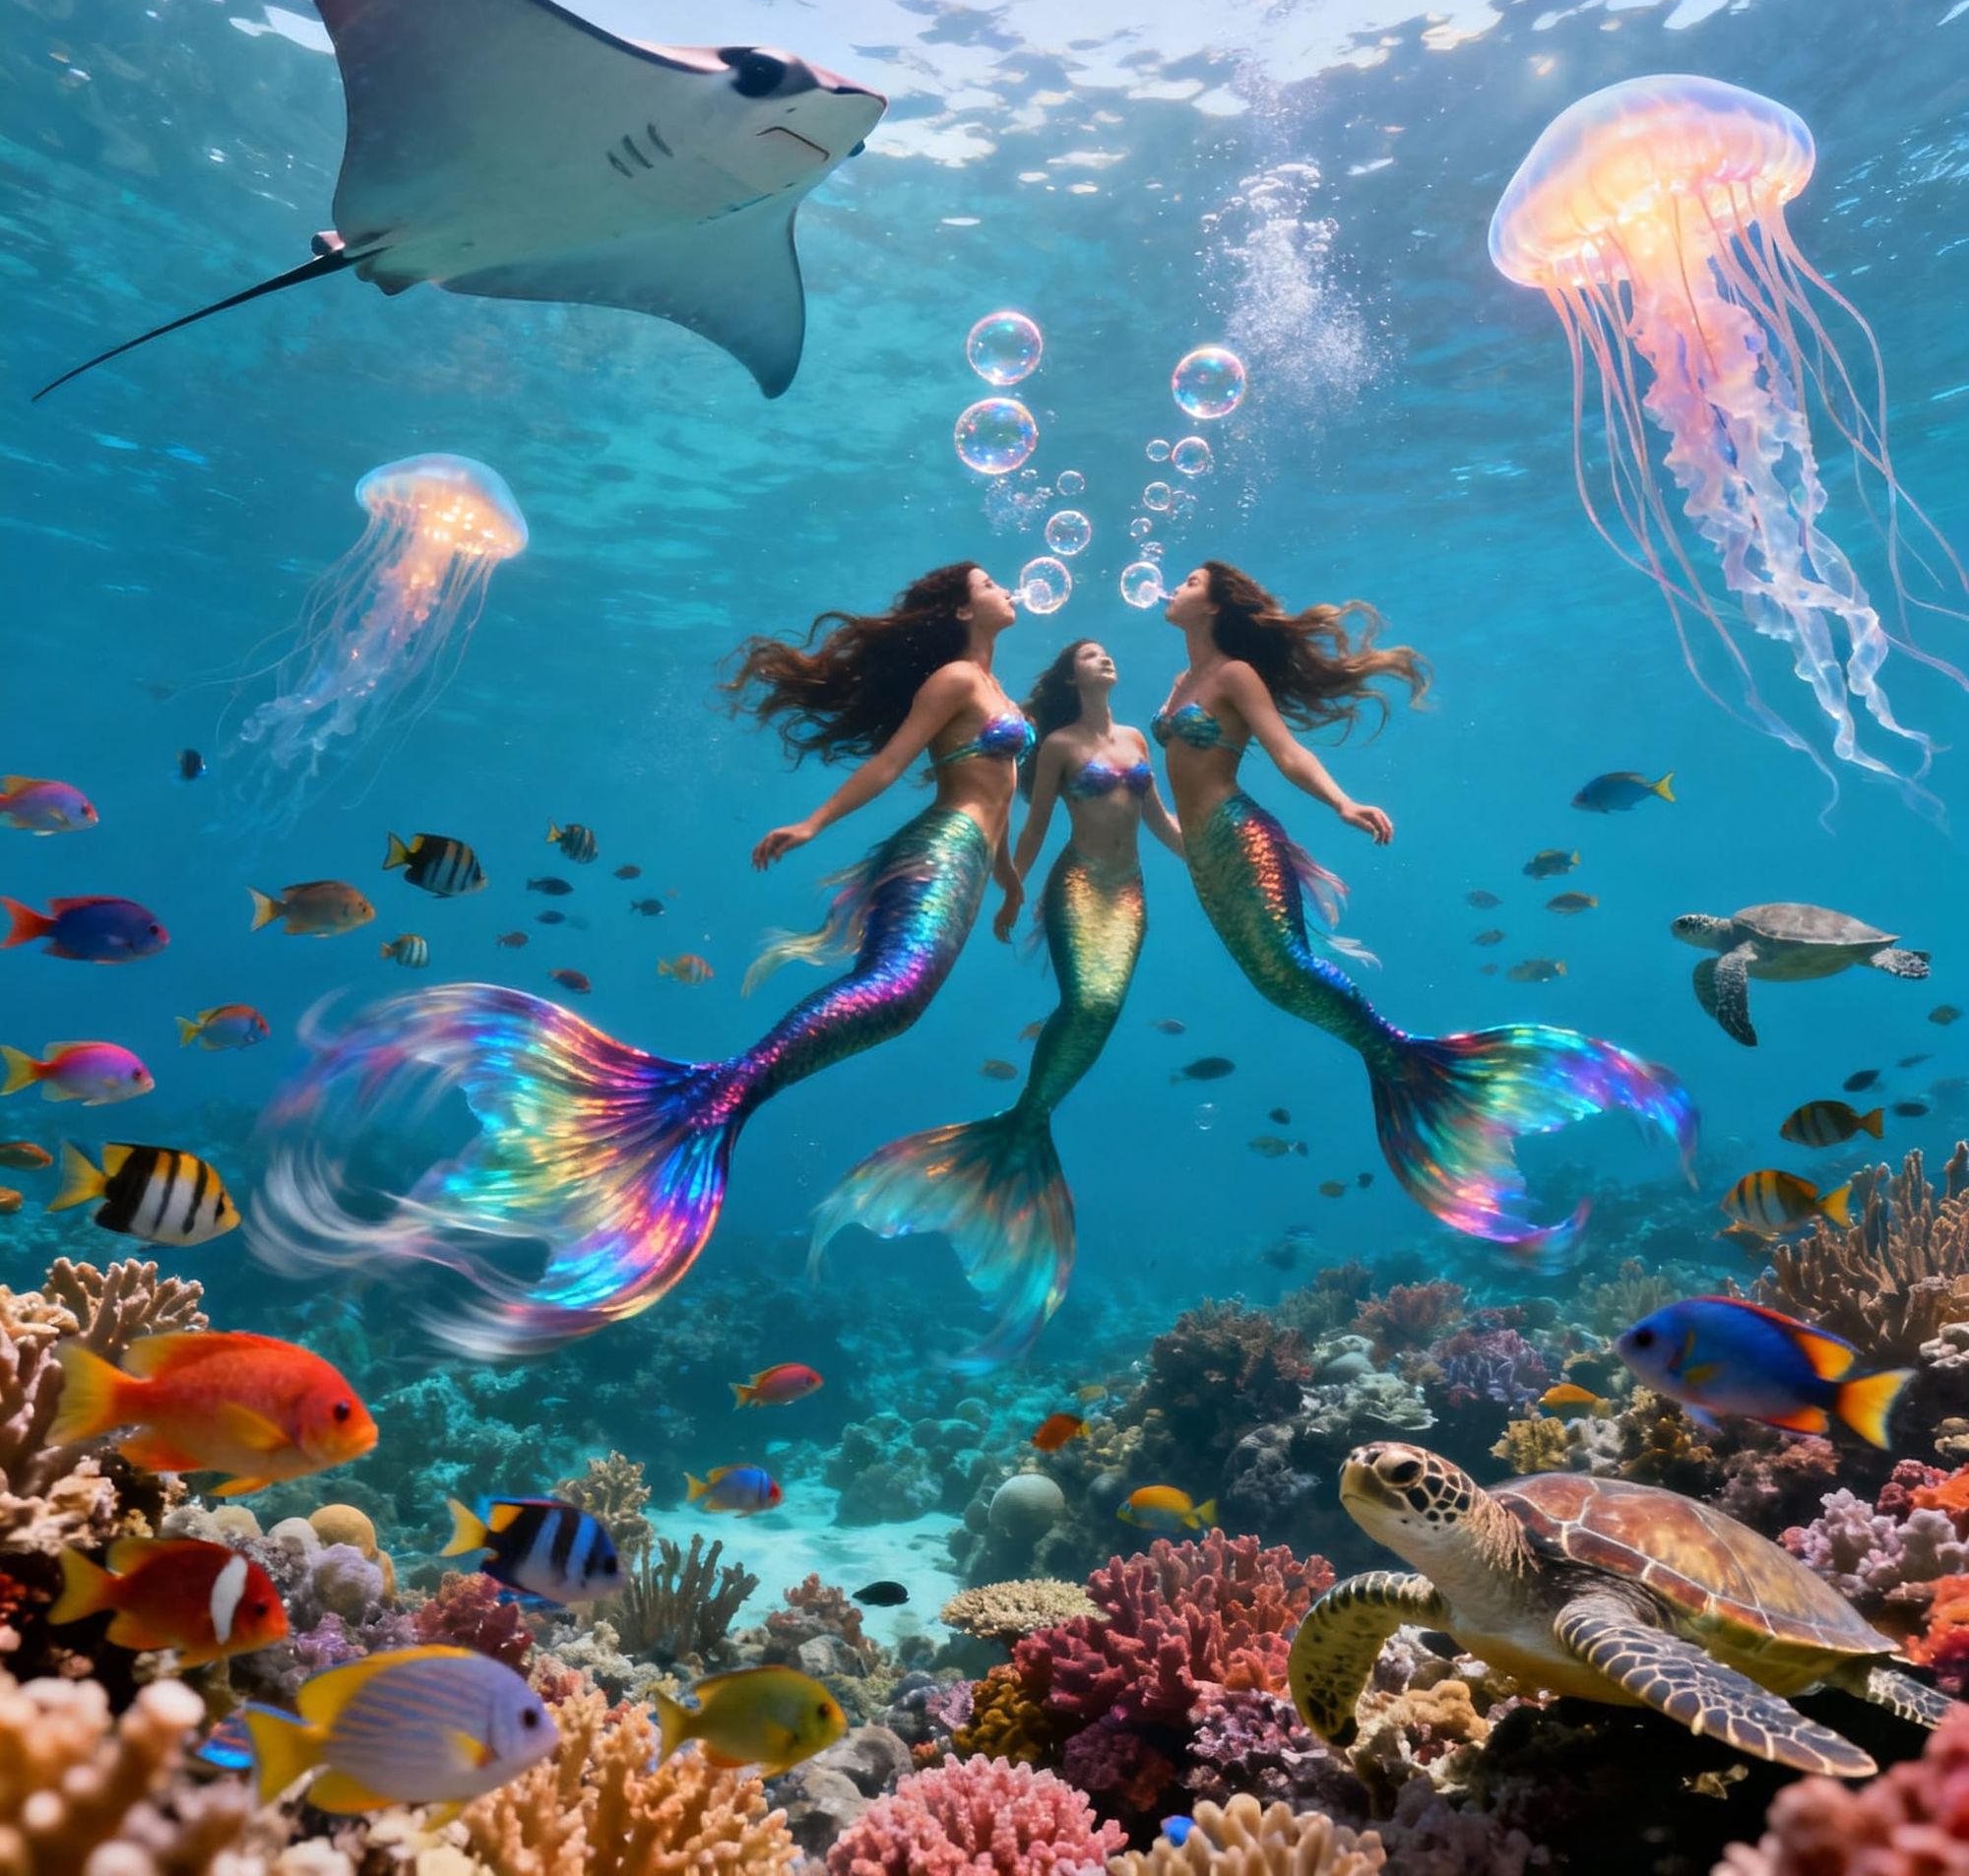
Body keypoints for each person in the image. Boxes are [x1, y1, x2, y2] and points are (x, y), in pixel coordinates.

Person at [254, 565, 1031, 1353]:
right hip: (940, 850)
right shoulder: (959, 676)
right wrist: (812, 823)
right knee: (892, 994)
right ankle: (726, 1092)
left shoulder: (1002, 693)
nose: (1007, 588)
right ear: (964, 608)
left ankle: (725, 1095)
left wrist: (1007, 886)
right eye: (989, 581)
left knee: (900, 1004)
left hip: (971, 862)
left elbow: (1004, 794)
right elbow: (892, 765)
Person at [1157, 561, 1695, 1249]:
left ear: (1215, 604)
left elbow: (1286, 753)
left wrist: (1344, 803)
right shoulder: (1180, 685)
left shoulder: (1234, 675)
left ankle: (1406, 1061)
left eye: (1190, 580)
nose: (1176, 586)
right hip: (1202, 849)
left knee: (1286, 969)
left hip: (1238, 838)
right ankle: (1404, 1068)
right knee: (1274, 983)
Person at [809, 637, 1181, 1366]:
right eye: (1092, 655)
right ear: (1071, 674)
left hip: (1130, 895)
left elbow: (1163, 822)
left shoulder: (1137, 738)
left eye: (1111, 654)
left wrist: (1207, 863)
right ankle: (1022, 1126)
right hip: (1076, 887)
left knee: (1101, 1013)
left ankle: (1024, 1125)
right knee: (1092, 999)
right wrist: (1011, 889)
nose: (1106, 661)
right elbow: (1036, 824)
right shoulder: (1059, 745)